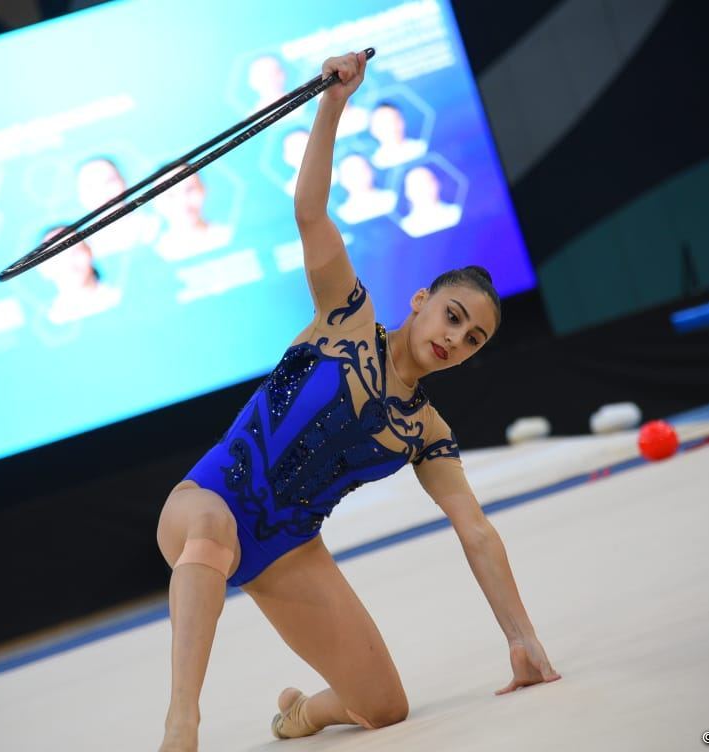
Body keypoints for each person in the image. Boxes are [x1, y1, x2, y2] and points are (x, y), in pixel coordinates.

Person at [155, 53, 559, 752]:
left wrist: (522, 639)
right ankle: (181, 722)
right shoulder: (345, 316)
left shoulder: (424, 431)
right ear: (422, 300)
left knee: (385, 706)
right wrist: (334, 104)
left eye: (473, 338)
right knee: (210, 540)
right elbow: (309, 210)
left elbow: (476, 531)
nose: (456, 337)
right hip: (208, 498)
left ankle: (302, 714)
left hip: (289, 550)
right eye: (454, 316)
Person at [36, 226, 120, 324]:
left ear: (90, 251)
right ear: (43, 268)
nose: (68, 261)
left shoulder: (116, 298)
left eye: (76, 250)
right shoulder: (53, 318)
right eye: (56, 255)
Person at [399, 165, 464, 237]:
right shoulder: (405, 227)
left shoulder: (455, 213)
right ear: (407, 192)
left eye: (427, 182)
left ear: (437, 184)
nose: (424, 189)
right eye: (417, 185)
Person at [335, 153, 397, 224]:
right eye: (352, 173)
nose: (358, 175)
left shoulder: (392, 198)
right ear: (342, 180)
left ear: (372, 171)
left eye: (362, 169)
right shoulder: (342, 215)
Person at [369, 101, 428, 168]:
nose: (392, 126)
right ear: (372, 130)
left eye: (395, 120)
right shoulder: (375, 164)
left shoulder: (421, 149)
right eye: (384, 123)